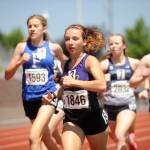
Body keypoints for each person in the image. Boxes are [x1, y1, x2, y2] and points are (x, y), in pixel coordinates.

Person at [5, 14, 67, 150]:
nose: (32, 29)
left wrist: (63, 80)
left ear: (44, 28)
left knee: (33, 137)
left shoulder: (54, 48)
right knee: (46, 138)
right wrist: (20, 61)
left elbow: (66, 64)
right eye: (29, 26)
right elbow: (7, 75)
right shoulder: (21, 47)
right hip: (29, 98)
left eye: (36, 26)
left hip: (47, 97)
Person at [59, 24, 109, 150]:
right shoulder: (65, 63)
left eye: (75, 39)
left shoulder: (90, 60)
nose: (70, 42)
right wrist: (54, 95)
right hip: (71, 119)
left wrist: (74, 82)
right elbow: (66, 87)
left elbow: (102, 85)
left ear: (84, 41)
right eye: (67, 39)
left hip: (93, 118)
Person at [99, 33, 139, 150]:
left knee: (119, 135)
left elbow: (145, 73)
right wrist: (102, 82)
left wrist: (145, 90)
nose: (113, 46)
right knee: (117, 138)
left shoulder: (133, 63)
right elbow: (94, 81)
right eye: (111, 44)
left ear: (124, 46)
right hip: (108, 107)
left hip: (127, 105)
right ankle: (129, 139)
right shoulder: (104, 65)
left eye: (117, 43)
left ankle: (127, 136)